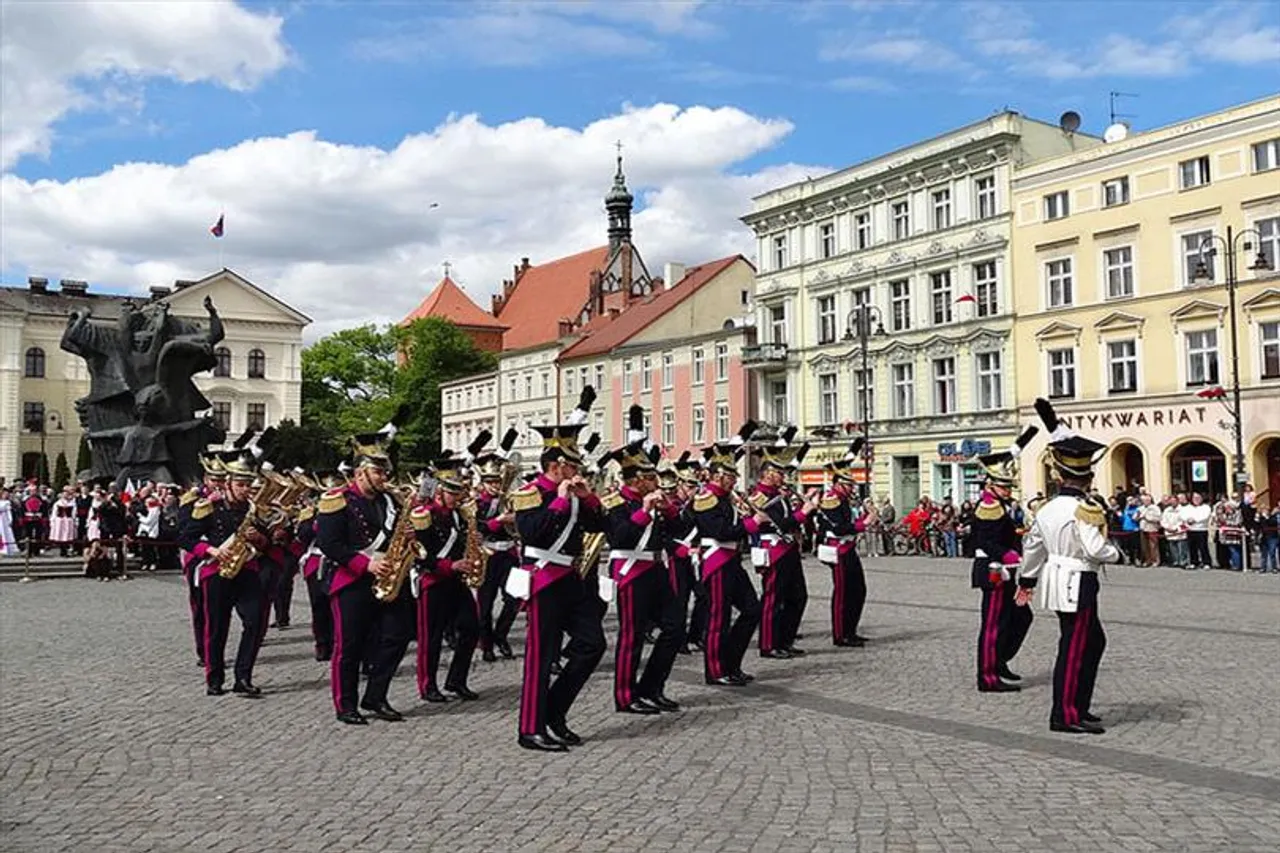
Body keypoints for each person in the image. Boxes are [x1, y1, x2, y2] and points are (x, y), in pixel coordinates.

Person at [511, 387, 607, 752]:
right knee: (542, 653)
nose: (577, 469)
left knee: (591, 645)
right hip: (544, 578)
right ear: (557, 466)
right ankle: (531, 727)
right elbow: (532, 533)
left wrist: (587, 499)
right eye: (573, 464)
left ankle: (554, 711)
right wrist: (561, 501)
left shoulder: (576, 492)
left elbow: (601, 527)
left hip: (571, 578)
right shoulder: (531, 492)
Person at [1016, 399, 1117, 735]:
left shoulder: (1046, 509)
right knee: (1075, 647)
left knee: (1091, 641)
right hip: (1079, 578)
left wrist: (1027, 580)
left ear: (1059, 475)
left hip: (1056, 577)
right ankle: (1065, 713)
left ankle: (1079, 706)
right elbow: (1095, 548)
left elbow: (1032, 548)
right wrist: (1114, 553)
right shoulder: (1084, 508)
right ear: (1086, 475)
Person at [315, 429, 416, 725]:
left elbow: (394, 535)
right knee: (350, 645)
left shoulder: (390, 501)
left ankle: (375, 695)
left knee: (398, 635)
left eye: (385, 470)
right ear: (360, 472)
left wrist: (408, 538)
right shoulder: (337, 500)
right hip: (351, 580)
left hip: (387, 578)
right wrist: (364, 564)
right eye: (378, 470)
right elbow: (329, 544)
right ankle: (346, 704)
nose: (384, 475)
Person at [602, 430, 684, 715]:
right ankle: (625, 695)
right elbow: (619, 538)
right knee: (632, 636)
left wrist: (670, 512)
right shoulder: (615, 503)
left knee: (674, 628)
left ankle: (651, 687)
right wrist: (643, 511)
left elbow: (680, 533)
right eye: (650, 478)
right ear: (635, 480)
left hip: (655, 569)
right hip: (631, 571)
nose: (656, 482)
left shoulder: (656, 500)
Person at [178, 452, 268, 698]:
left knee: (255, 622)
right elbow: (186, 537)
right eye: (240, 485)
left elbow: (265, 543)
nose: (245, 489)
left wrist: (258, 538)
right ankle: (214, 677)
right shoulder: (209, 507)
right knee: (217, 627)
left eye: (248, 485)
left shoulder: (253, 509)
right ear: (227, 484)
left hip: (247, 570)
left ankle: (243, 676)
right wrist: (211, 550)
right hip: (217, 571)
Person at [692, 422, 767, 687]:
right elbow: (721, 531)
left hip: (732, 560)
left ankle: (731, 662)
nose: (734, 480)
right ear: (717, 476)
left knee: (751, 610)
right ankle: (715, 670)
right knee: (718, 619)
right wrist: (751, 524)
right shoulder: (706, 499)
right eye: (730, 476)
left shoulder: (726, 498)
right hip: (716, 561)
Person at [970, 426, 1039, 693]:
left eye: (1009, 486)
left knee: (1021, 617)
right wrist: (1007, 552)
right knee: (993, 624)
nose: (1008, 489)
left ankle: (1000, 660)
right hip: (994, 570)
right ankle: (987, 675)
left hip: (1007, 569)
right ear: (991, 485)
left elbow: (1010, 454)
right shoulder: (988, 505)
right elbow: (984, 541)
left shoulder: (998, 504)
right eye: (1004, 485)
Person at [413, 455, 482, 703]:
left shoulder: (459, 514)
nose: (458, 498)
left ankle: (456, 680)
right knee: (431, 637)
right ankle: (427, 684)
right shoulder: (424, 515)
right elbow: (418, 555)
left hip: (456, 581)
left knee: (472, 628)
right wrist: (449, 565)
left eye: (459, 492)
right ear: (440, 491)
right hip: (434, 581)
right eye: (453, 493)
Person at [749, 432, 818, 659]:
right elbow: (778, 521)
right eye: (779, 473)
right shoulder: (759, 496)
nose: (783, 477)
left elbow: (792, 520)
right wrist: (802, 513)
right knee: (773, 599)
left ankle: (785, 640)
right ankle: (768, 644)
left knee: (798, 596)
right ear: (768, 474)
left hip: (788, 549)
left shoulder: (781, 494)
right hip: (774, 550)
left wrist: (806, 512)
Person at [471, 429, 522, 662]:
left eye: (497, 482)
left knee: (514, 599)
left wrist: (515, 520)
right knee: (485, 602)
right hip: (488, 554)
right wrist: (498, 521)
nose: (495, 486)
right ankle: (486, 642)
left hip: (509, 552)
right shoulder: (475, 504)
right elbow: (476, 529)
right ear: (483, 483)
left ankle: (501, 635)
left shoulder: (508, 499)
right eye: (490, 482)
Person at [817, 439, 870, 648]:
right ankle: (840, 634)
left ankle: (851, 629)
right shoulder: (831, 498)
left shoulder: (844, 499)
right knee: (842, 593)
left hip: (849, 548)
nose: (851, 488)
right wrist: (863, 524)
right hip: (838, 549)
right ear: (839, 484)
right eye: (848, 484)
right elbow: (839, 527)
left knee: (858, 590)